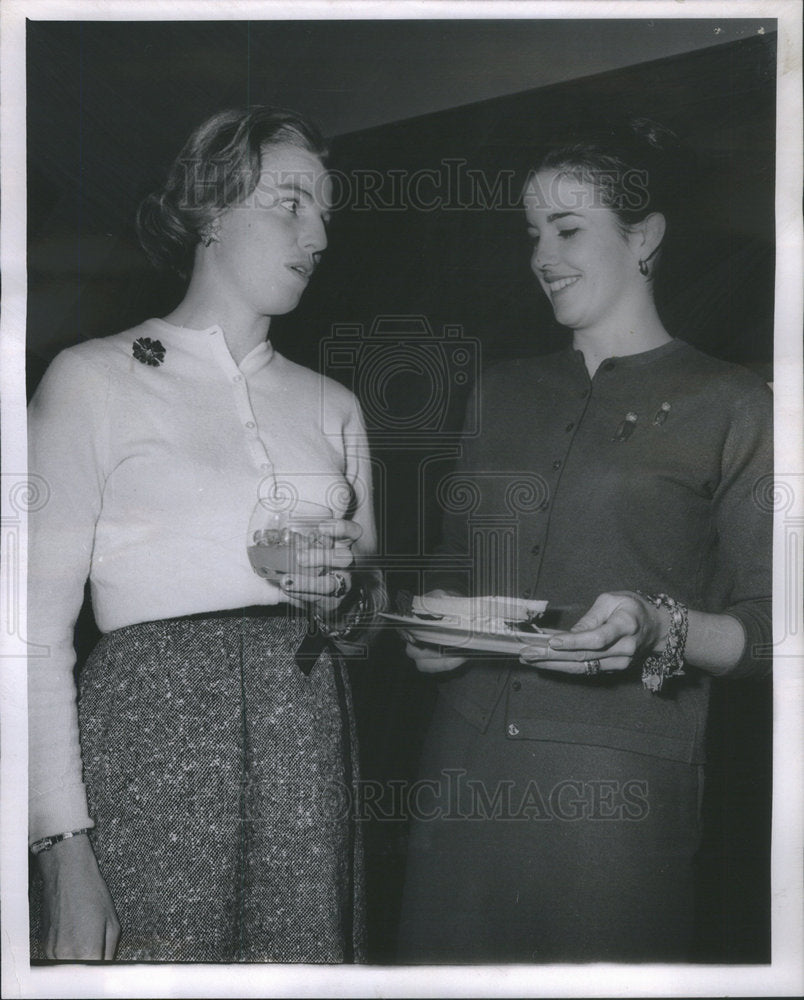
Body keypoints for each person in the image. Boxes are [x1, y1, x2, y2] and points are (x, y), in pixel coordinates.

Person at [397, 118, 772, 963]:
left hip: (619, 786)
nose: (542, 255)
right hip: (463, 762)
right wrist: (433, 629)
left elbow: (776, 631)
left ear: (644, 237)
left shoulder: (736, 403)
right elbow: (455, 579)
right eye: (533, 234)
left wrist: (656, 624)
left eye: (567, 230)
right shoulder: (499, 391)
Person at [28, 106, 379, 962]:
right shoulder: (91, 378)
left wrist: (339, 599)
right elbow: (28, 637)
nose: (319, 234)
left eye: (326, 212)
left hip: (305, 744)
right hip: (148, 748)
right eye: (292, 202)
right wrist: (61, 848)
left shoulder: (334, 407)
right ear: (212, 206)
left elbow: (369, 629)